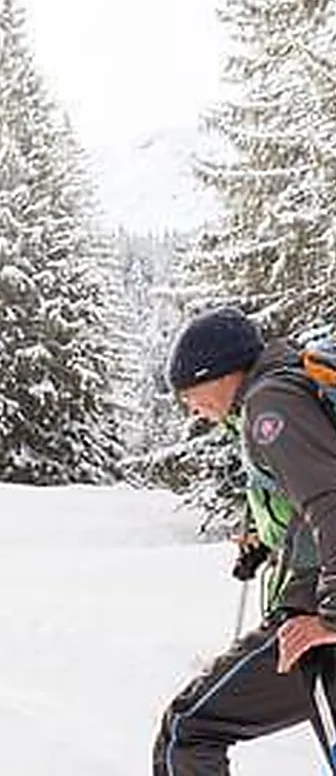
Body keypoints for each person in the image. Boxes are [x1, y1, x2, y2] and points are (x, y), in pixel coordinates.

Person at [153, 306, 336, 775]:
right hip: (314, 602)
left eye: (190, 394)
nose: (192, 409)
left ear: (218, 371)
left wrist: (331, 618)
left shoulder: (270, 404)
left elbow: (331, 499)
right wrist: (269, 542)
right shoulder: (291, 385)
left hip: (317, 616)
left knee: (189, 729)